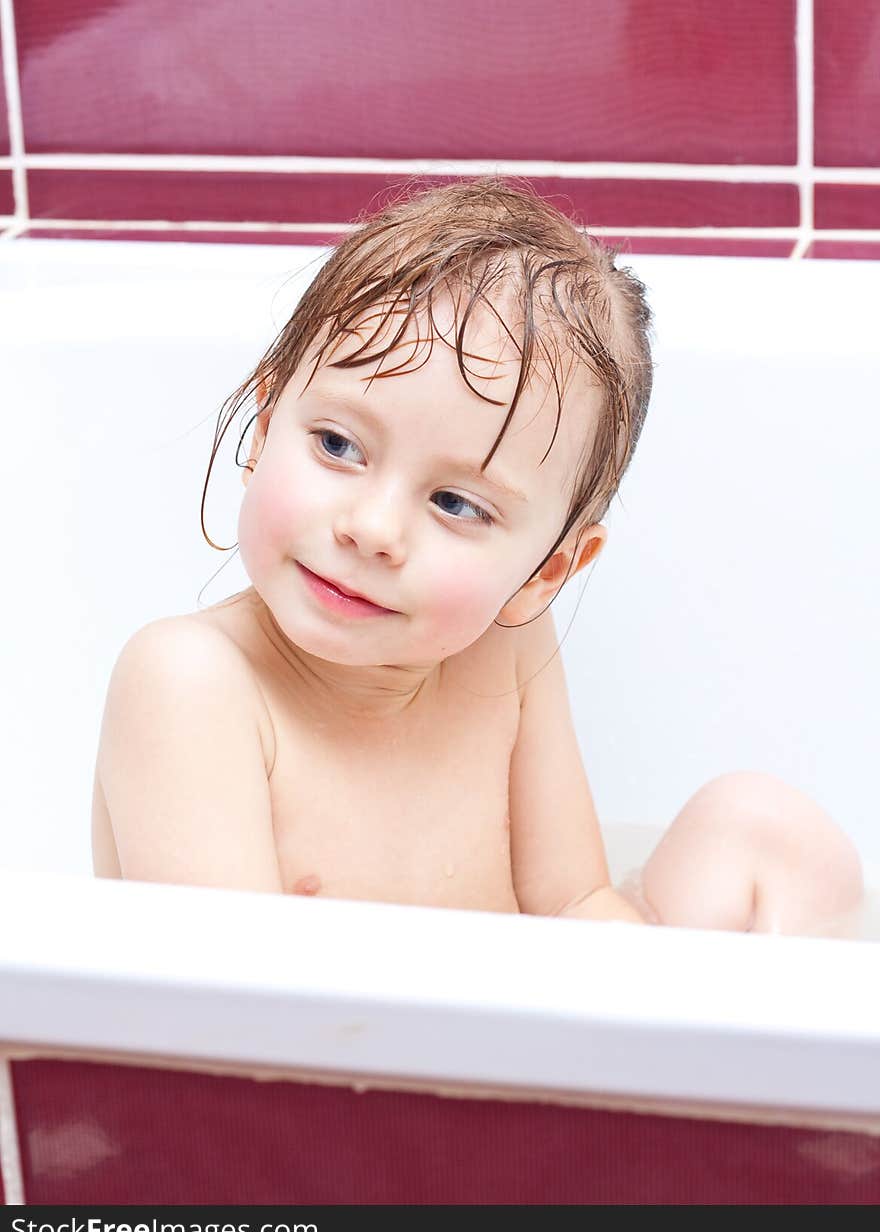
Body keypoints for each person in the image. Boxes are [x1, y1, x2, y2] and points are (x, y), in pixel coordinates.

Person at [91, 175, 864, 937]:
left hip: (515, 1035)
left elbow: (573, 902)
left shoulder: (505, 644)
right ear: (263, 430)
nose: (373, 528)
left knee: (769, 829)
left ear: (544, 574)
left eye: (456, 503)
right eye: (337, 444)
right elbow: (233, 1014)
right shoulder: (192, 684)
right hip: (330, 1053)